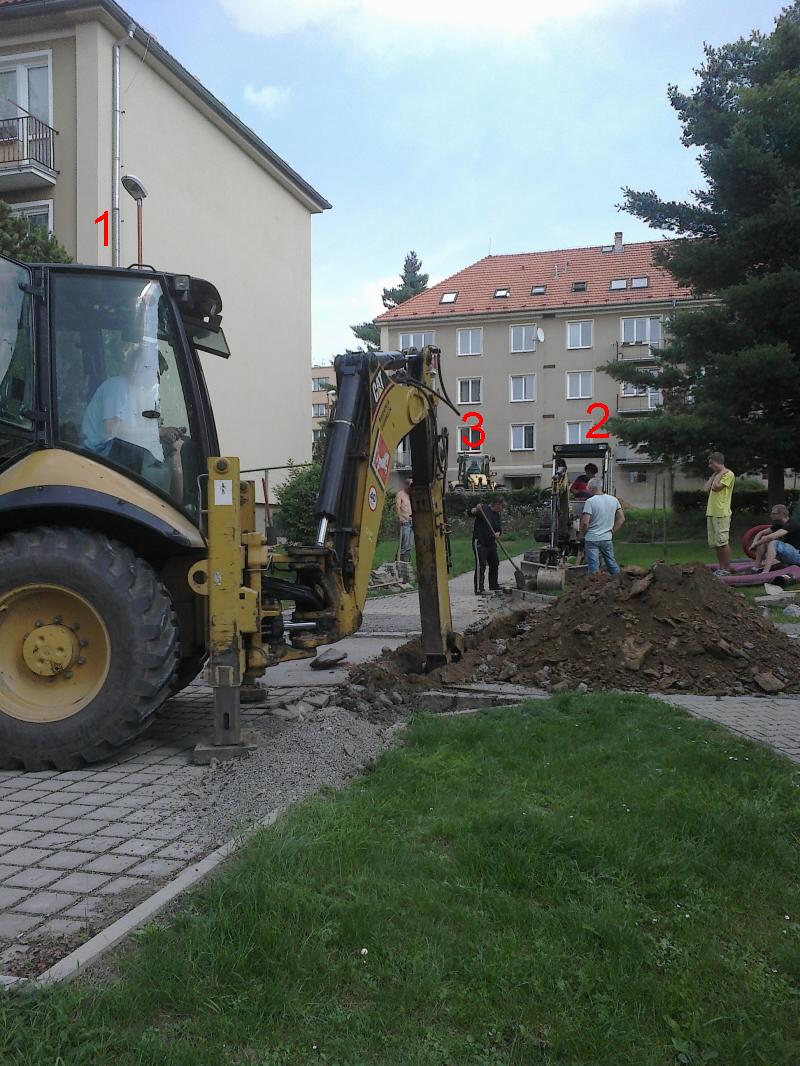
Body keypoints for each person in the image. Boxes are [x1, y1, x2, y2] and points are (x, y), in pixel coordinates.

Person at [580, 478, 624, 575]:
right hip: (607, 538)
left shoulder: (590, 502)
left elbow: (585, 523)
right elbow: (621, 519)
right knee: (611, 562)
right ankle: (619, 580)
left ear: (591, 488)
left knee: (593, 566)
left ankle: (594, 584)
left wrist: (583, 534)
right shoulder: (614, 500)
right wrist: (612, 531)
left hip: (592, 538)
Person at [703, 452, 736, 577]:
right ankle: (721, 567)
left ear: (718, 462)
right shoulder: (717, 474)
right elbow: (706, 489)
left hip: (721, 513)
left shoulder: (728, 474)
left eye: (711, 463)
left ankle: (726, 569)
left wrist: (721, 472)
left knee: (723, 542)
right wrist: (715, 474)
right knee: (716, 543)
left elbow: (716, 487)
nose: (709, 465)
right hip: (712, 512)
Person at [749, 504, 800, 575]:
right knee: (764, 541)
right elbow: (761, 533)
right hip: (789, 554)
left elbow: (770, 537)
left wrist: (756, 544)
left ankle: (765, 572)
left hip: (798, 555)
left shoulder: (792, 524)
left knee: (773, 542)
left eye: (774, 513)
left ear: (782, 514)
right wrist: (754, 543)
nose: (771, 515)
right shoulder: (780, 525)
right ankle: (755, 568)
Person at [469, 497, 504, 595]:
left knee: (495, 563)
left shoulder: (497, 515)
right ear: (497, 504)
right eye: (501, 506)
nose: (502, 508)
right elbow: (471, 513)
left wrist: (498, 533)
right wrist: (475, 510)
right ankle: (479, 589)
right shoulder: (483, 509)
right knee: (481, 565)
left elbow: (499, 529)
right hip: (480, 542)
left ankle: (493, 585)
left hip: (491, 543)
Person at [395, 477, 413, 561]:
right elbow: (397, 506)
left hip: (411, 521)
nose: (411, 488)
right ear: (406, 485)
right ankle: (399, 560)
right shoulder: (400, 494)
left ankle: (407, 561)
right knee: (404, 542)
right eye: (410, 486)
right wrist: (400, 517)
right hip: (404, 521)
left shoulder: (410, 495)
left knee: (410, 543)